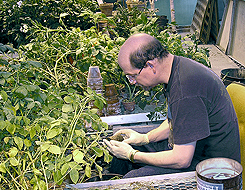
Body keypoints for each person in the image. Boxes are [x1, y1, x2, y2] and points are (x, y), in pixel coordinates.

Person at [103, 33, 241, 178]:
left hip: (213, 170)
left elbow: (182, 160)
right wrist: (145, 138)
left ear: (150, 65)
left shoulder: (185, 89)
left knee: (132, 180)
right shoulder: (177, 69)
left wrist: (132, 155)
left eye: (132, 75)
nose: (132, 82)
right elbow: (174, 120)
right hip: (195, 149)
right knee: (124, 147)